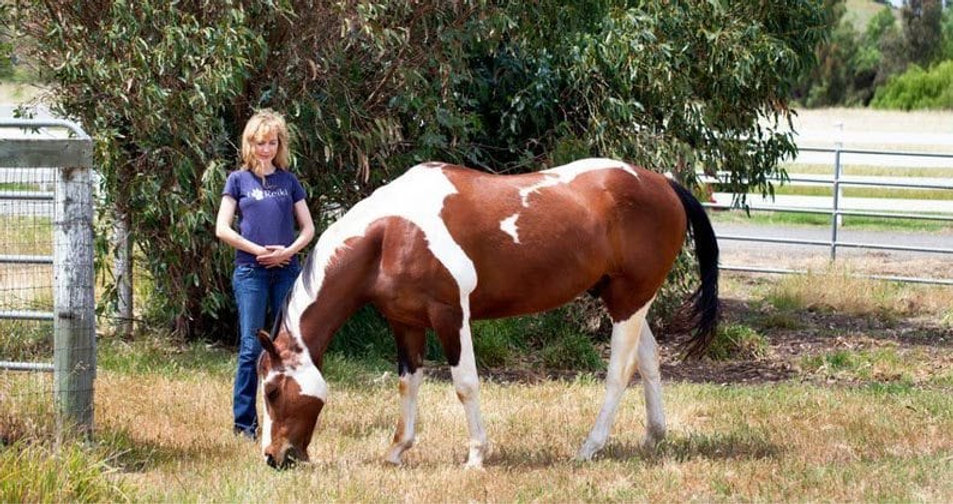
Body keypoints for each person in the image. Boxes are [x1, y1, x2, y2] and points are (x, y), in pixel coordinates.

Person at [215, 109, 315, 440]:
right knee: (250, 348)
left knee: (288, 348)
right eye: (260, 143)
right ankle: (245, 424)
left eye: (272, 143)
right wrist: (258, 251)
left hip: (286, 272)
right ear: (249, 143)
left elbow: (308, 228)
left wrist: (288, 252)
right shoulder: (237, 180)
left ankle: (288, 415)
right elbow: (222, 228)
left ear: (279, 145)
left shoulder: (288, 181)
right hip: (251, 273)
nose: (266, 149)